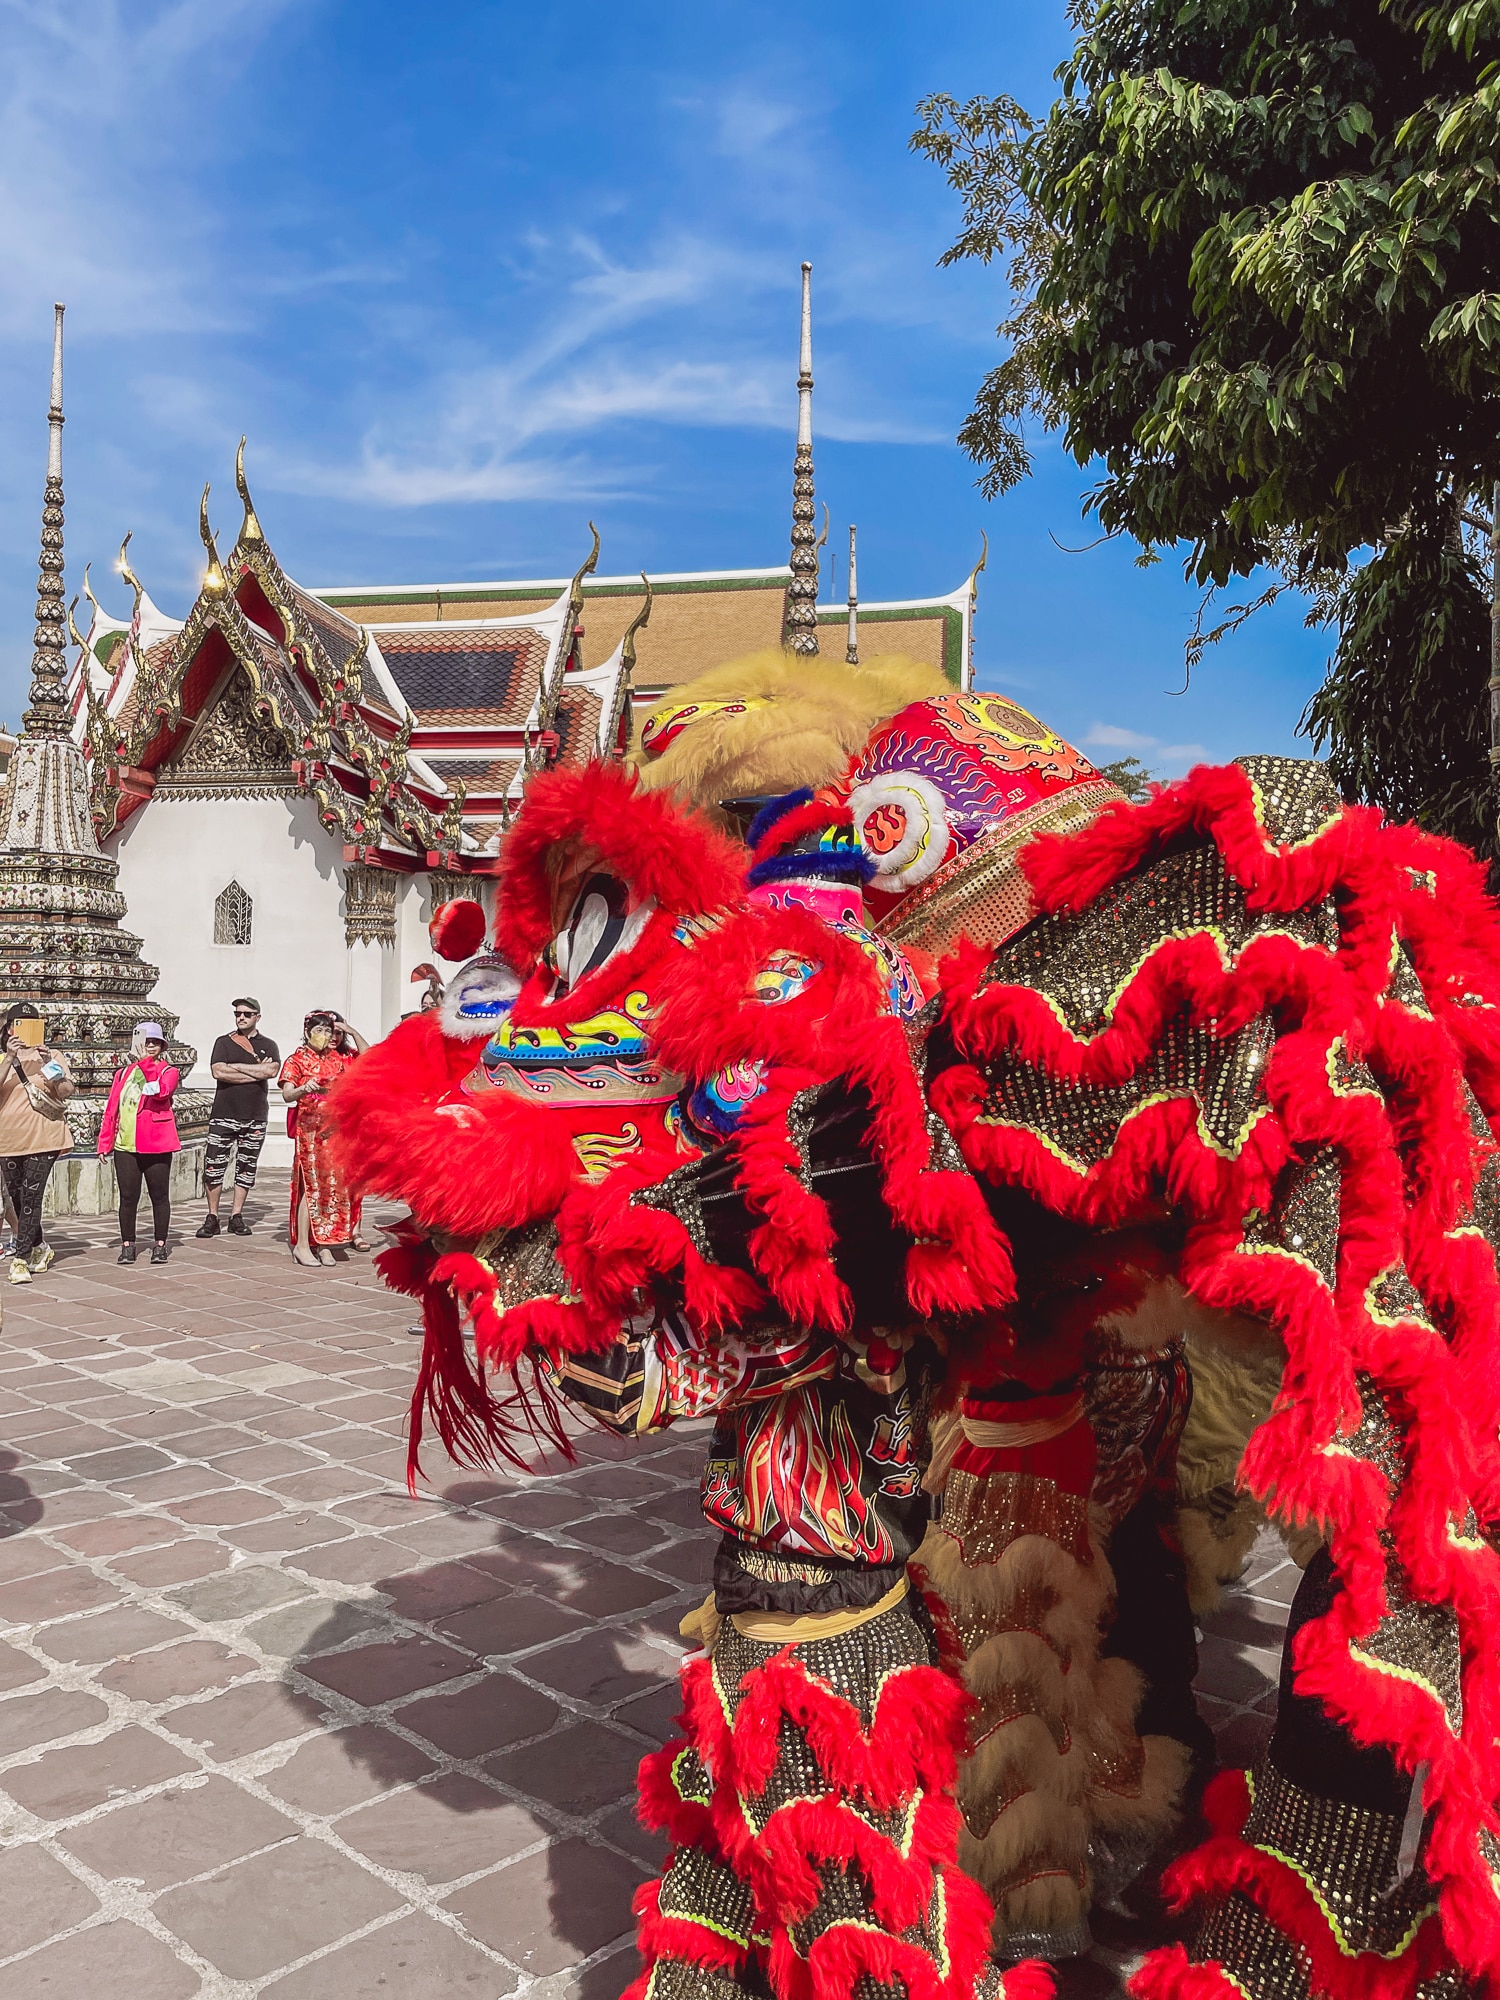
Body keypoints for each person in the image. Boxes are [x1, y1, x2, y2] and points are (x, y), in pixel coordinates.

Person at [279, 1011, 367, 1266]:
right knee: (312, 1187)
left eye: (328, 1031)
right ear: (307, 1033)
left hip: (333, 1131)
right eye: (319, 1031)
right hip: (309, 1132)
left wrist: (349, 1030)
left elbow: (368, 1060)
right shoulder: (296, 1061)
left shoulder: (336, 1060)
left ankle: (325, 1243)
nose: (325, 1036)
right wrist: (302, 1089)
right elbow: (286, 1095)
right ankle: (303, 1245)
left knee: (332, 1188)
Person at [0, 1002, 75, 1285]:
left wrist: (48, 1065)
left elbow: (66, 1091)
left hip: (44, 1137)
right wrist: (9, 1058)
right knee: (18, 1198)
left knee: (31, 1196)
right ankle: (39, 1246)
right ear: (9, 1029)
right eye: (18, 1024)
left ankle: (21, 1257)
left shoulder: (51, 1055)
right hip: (8, 1139)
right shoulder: (1, 1057)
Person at [97, 1023, 180, 1266]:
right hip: (126, 1145)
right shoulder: (123, 1074)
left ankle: (160, 1244)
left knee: (159, 1196)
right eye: (145, 1041)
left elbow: (160, 1092)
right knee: (128, 1197)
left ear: (162, 1046)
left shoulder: (168, 1071)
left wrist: (146, 1064)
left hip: (156, 1145)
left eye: (154, 1042)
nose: (150, 1046)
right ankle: (128, 1245)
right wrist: (105, 1142)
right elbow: (112, 1109)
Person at [198, 997, 279, 1238]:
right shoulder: (223, 1042)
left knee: (246, 1166)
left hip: (254, 1115)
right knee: (213, 1167)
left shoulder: (269, 1044)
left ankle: (236, 1215)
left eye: (246, 1013)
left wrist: (236, 1068)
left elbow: (271, 1071)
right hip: (224, 1114)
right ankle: (212, 1215)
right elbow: (217, 1071)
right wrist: (256, 1072)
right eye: (237, 1013)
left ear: (257, 1017)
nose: (241, 1017)